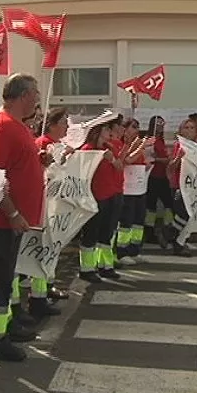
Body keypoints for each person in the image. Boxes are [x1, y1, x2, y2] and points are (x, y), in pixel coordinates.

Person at [0, 73, 44, 362]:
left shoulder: (15, 125)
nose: (38, 99)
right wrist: (13, 212)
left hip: (11, 223)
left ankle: (5, 325)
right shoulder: (3, 127)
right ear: (24, 95)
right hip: (0, 223)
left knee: (6, 278)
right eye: (36, 94)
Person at [78, 111, 123, 283]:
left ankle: (106, 265)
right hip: (93, 198)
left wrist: (111, 159)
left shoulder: (109, 148)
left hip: (111, 195)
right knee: (90, 233)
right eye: (105, 130)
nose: (108, 133)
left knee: (107, 232)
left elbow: (119, 167)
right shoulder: (87, 150)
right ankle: (86, 268)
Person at [115, 118, 151, 264]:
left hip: (139, 188)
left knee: (138, 220)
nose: (136, 130)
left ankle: (134, 249)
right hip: (127, 189)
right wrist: (141, 147)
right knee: (126, 221)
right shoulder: (122, 144)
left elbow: (138, 161)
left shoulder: (137, 145)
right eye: (133, 127)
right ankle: (121, 252)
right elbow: (127, 159)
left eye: (137, 127)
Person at [164, 119, 197, 257]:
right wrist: (179, 157)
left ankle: (175, 238)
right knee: (184, 214)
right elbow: (171, 167)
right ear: (181, 130)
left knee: (189, 216)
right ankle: (171, 235)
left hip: (193, 186)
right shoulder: (179, 145)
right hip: (179, 185)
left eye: (192, 127)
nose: (189, 130)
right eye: (186, 127)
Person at [144, 115, 174, 247]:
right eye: (158, 124)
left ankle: (167, 228)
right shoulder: (149, 140)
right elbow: (150, 157)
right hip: (153, 176)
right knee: (151, 206)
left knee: (169, 204)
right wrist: (164, 160)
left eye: (162, 124)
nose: (160, 126)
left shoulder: (161, 140)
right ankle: (149, 231)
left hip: (163, 176)